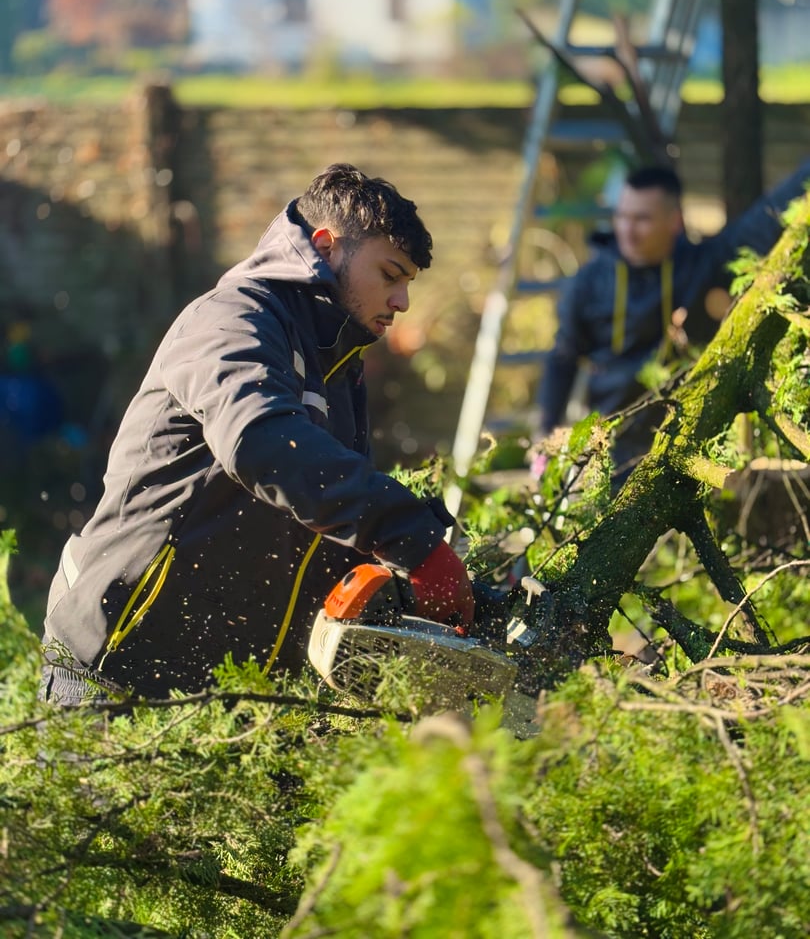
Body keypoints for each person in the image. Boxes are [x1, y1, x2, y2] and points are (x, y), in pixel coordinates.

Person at [40, 163, 474, 704]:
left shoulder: (340, 364)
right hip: (116, 672)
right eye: (389, 275)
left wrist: (410, 585)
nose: (402, 302)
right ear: (327, 246)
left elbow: (324, 518)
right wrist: (408, 534)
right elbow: (261, 441)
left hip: (235, 697)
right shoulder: (232, 321)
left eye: (408, 283)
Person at [535, 160, 810, 482]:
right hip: (611, 452)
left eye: (642, 219)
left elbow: (768, 216)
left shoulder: (703, 265)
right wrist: (545, 437)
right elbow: (562, 359)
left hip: (690, 446)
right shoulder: (589, 283)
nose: (627, 229)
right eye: (622, 216)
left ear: (674, 222)